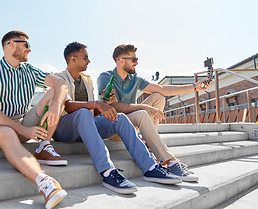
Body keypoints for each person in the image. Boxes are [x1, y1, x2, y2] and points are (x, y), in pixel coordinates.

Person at [53, 42, 182, 195]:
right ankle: (108, 171)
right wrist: (97, 104)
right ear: (73, 59)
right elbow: (67, 106)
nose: (89, 61)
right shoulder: (59, 78)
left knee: (119, 117)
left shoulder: (87, 80)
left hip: (86, 126)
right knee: (82, 112)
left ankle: (150, 167)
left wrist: (104, 104)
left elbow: (92, 114)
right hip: (63, 128)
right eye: (85, 57)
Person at [0, 30, 68, 208]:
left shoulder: (29, 70)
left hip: (25, 120)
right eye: (26, 45)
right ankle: (45, 183)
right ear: (10, 44)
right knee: (6, 133)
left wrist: (56, 104)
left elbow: (61, 83)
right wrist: (24, 130)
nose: (30, 50)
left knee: (56, 92)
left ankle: (44, 145)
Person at [97, 44, 212, 182]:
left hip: (131, 122)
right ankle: (168, 161)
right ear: (121, 60)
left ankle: (147, 141)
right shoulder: (106, 77)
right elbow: (113, 106)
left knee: (158, 97)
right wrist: (145, 107)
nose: (137, 63)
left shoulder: (134, 79)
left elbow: (162, 88)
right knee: (142, 113)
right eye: (133, 59)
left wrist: (194, 87)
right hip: (113, 127)